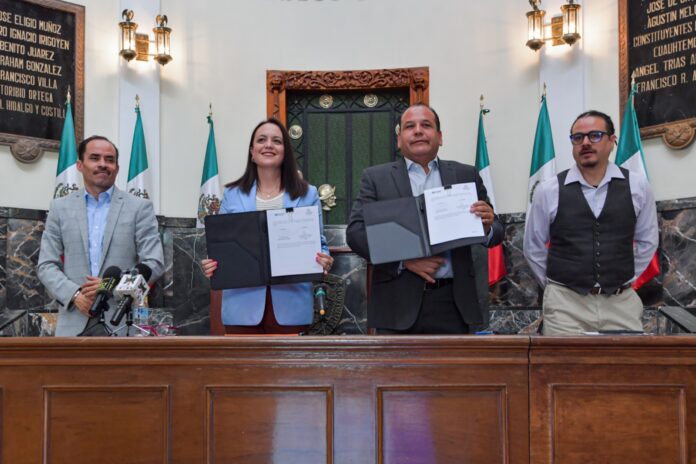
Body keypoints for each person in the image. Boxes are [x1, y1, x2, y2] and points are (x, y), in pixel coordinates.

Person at [346, 104, 504, 334]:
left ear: (440, 137)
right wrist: (404, 261)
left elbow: (497, 231)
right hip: (396, 306)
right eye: (410, 126)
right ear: (399, 139)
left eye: (426, 125)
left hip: (454, 304)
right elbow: (356, 234)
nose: (418, 131)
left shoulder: (465, 175)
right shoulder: (376, 178)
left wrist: (487, 226)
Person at [523, 110, 659, 335]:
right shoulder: (548, 190)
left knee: (626, 359)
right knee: (563, 360)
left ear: (612, 141)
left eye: (595, 135)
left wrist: (622, 277)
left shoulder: (638, 186)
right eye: (578, 138)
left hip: (621, 303)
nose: (585, 143)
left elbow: (648, 241)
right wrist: (557, 287)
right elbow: (532, 247)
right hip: (565, 306)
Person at [201, 118, 333, 334]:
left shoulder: (307, 194)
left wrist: (324, 259)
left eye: (276, 141)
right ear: (252, 152)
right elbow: (222, 247)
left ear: (285, 151)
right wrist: (212, 264)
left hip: (291, 306)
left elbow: (319, 245)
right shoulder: (232, 194)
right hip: (241, 307)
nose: (269, 145)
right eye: (261, 140)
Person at [37, 135, 164, 336]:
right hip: (74, 319)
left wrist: (110, 286)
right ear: (80, 165)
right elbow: (46, 265)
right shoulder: (60, 208)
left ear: (117, 168)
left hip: (121, 323)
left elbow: (154, 263)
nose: (103, 164)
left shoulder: (139, 208)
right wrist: (75, 295)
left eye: (109, 159)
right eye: (95, 158)